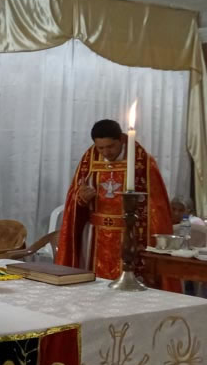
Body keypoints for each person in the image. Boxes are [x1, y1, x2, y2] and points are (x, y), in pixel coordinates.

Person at [56, 119, 177, 290]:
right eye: (100, 148)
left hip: (129, 235)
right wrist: (81, 198)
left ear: (120, 139)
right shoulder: (89, 160)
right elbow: (74, 199)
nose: (106, 152)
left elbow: (157, 207)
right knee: (92, 288)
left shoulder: (142, 162)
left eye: (110, 146)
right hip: (95, 236)